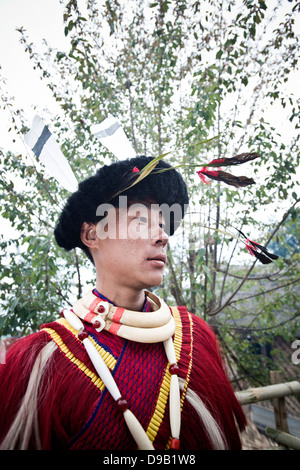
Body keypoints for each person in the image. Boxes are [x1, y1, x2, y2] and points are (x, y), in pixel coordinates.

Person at [0, 155, 246, 450]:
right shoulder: (43, 361)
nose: (162, 236)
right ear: (92, 234)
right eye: (141, 220)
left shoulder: (196, 337)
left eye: (162, 224)